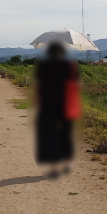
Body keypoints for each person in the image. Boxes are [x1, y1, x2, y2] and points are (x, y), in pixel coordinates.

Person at [33, 40, 81, 179]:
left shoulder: (43, 66)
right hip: (66, 105)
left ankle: (53, 168)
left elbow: (38, 85)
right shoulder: (70, 66)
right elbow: (77, 86)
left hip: (48, 105)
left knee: (50, 136)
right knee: (66, 134)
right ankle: (67, 164)